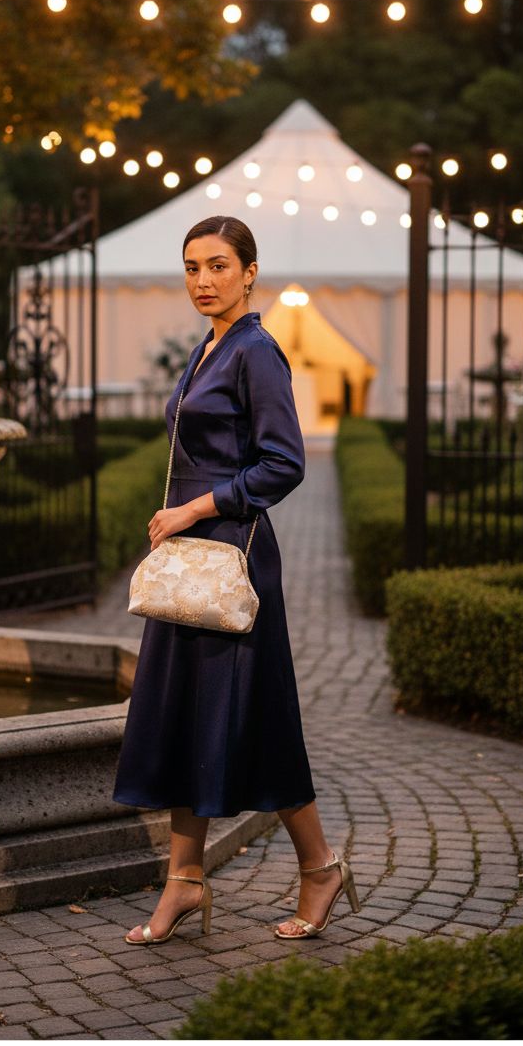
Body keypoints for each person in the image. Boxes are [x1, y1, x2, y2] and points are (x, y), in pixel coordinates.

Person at [113, 215, 359, 945]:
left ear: (250, 272)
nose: (203, 281)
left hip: (232, 557)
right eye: (192, 267)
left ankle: (320, 867)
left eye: (218, 266)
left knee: (256, 716)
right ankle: (183, 883)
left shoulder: (255, 350)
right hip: (191, 558)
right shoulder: (206, 348)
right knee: (187, 715)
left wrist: (194, 505)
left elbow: (284, 462)